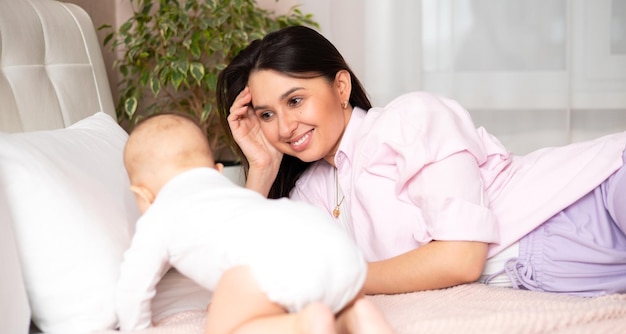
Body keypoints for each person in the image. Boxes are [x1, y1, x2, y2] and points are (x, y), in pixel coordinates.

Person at [216, 25, 626, 297]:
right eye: (267, 114)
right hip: (557, 272)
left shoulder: (409, 118)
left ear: (340, 87)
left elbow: (461, 258)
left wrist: (338, 279)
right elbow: (249, 279)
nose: (284, 125)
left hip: (591, 199)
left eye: (295, 100)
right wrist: (262, 168)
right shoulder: (313, 192)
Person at [115, 112, 407, 334]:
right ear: (216, 171)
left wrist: (137, 331)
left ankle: (304, 327)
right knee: (290, 290)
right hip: (329, 243)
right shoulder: (226, 191)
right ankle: (354, 316)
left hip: (269, 264)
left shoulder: (158, 214)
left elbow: (133, 286)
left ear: (143, 195)